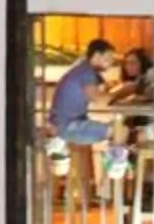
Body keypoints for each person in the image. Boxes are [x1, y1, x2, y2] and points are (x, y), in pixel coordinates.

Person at [47, 38, 117, 206]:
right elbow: (97, 99)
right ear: (96, 56)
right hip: (69, 127)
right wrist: (124, 92)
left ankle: (105, 186)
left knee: (117, 132)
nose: (110, 63)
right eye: (107, 58)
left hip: (64, 124)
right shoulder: (86, 72)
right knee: (118, 132)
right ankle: (109, 184)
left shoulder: (82, 70)